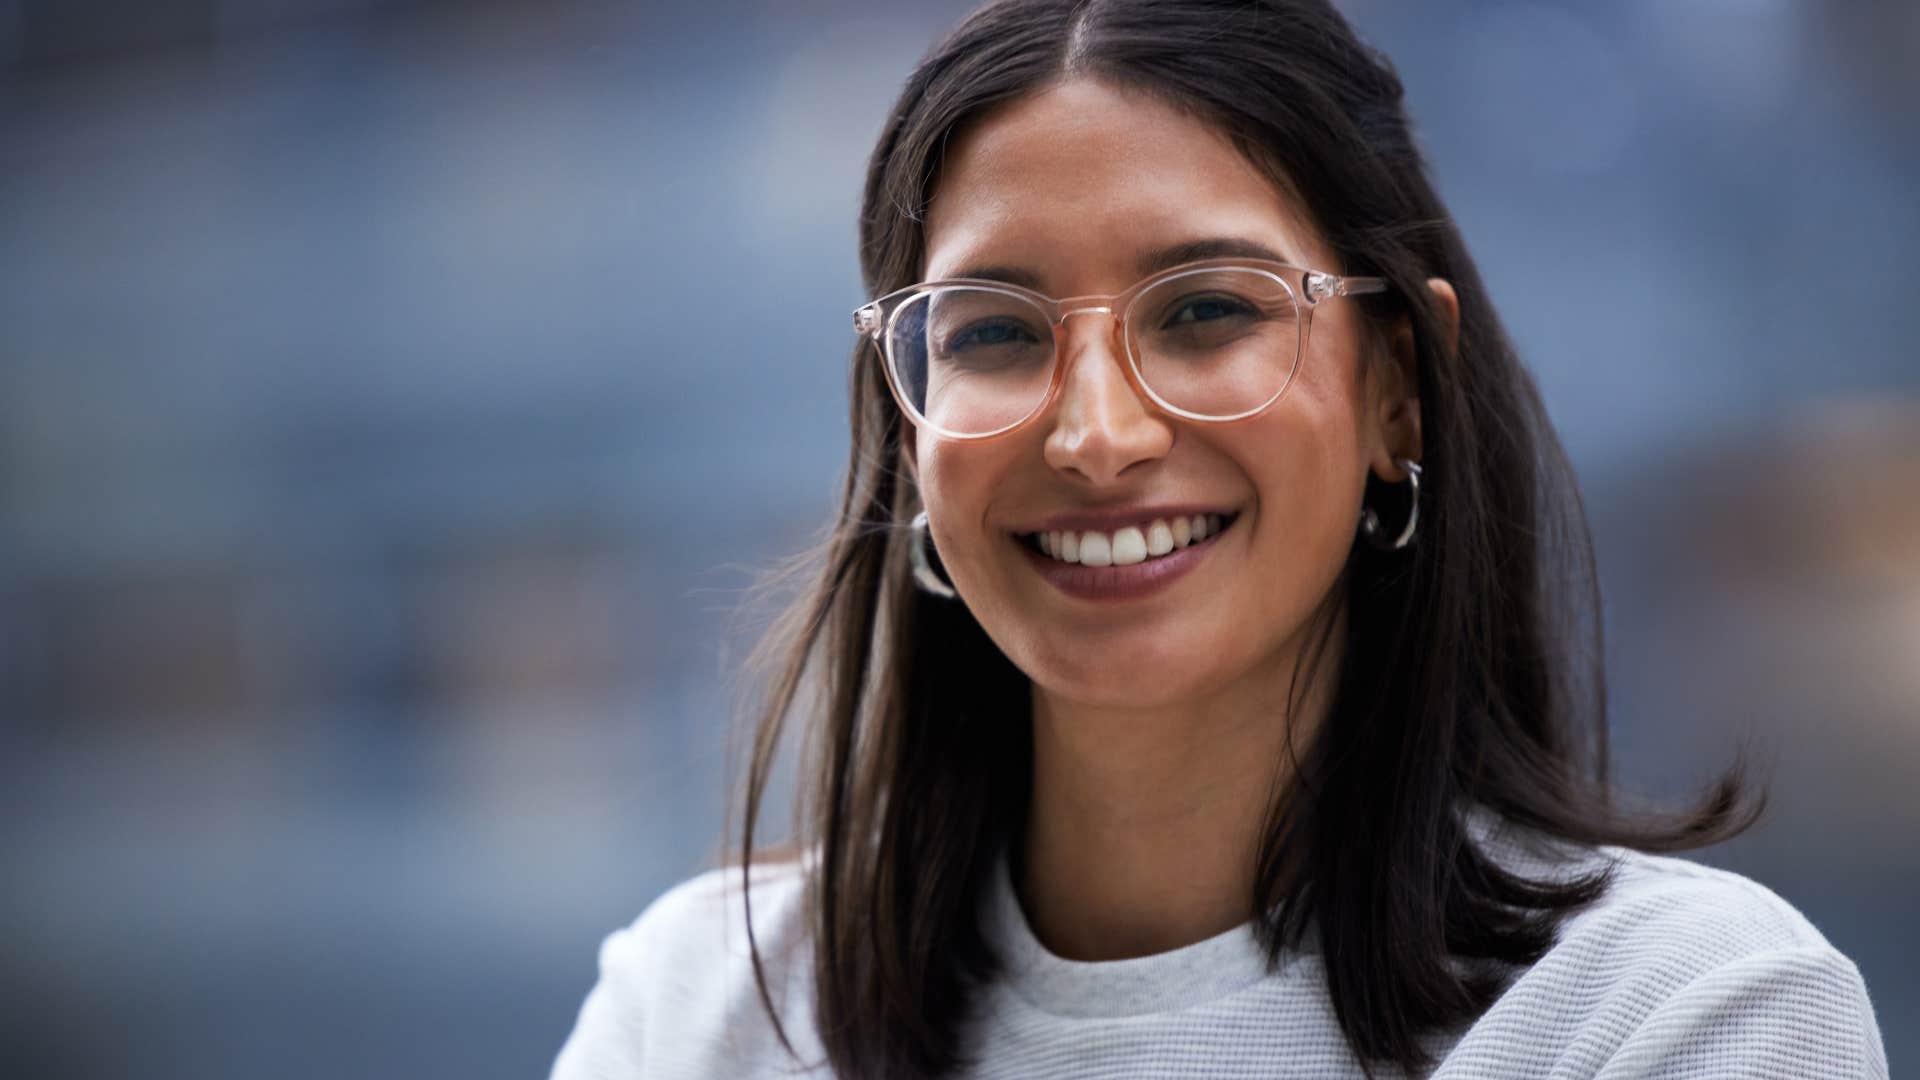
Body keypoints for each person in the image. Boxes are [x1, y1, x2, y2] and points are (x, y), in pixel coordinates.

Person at [550, 1, 1889, 1076]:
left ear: (1397, 387)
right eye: (996, 334)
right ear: (910, 435)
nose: (1095, 434)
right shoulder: (706, 1012)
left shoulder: (1674, 1019)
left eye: (1205, 312)